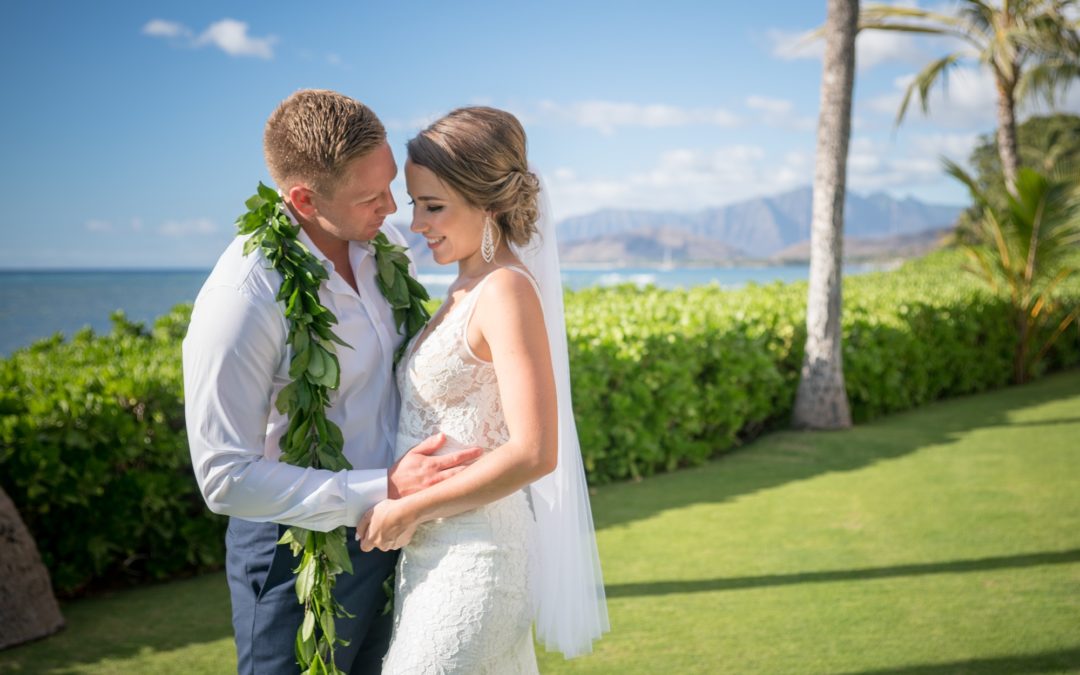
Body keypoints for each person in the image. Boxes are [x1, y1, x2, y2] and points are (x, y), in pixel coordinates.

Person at [182, 89, 481, 675]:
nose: (393, 209)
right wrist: (381, 488)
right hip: (293, 555)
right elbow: (224, 478)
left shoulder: (385, 248)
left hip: (399, 532)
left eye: (391, 184)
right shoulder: (241, 300)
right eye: (371, 196)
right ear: (302, 199)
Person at [356, 106, 609, 672]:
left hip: (479, 560)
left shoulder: (505, 292)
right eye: (416, 203)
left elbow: (535, 452)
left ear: (488, 204)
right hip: (431, 560)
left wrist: (410, 508)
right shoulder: (465, 288)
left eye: (434, 205)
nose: (417, 223)